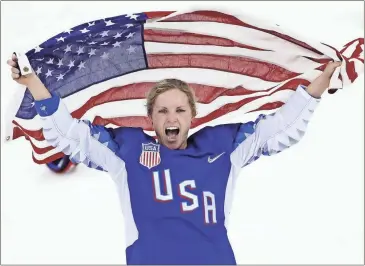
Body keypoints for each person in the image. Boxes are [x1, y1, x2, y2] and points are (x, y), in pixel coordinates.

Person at [7, 53, 341, 265]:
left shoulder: (224, 148)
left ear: (192, 117)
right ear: (150, 118)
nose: (172, 117)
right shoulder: (128, 152)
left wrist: (316, 88)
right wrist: (32, 82)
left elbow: (279, 130)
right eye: (162, 110)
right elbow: (68, 135)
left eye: (180, 110)